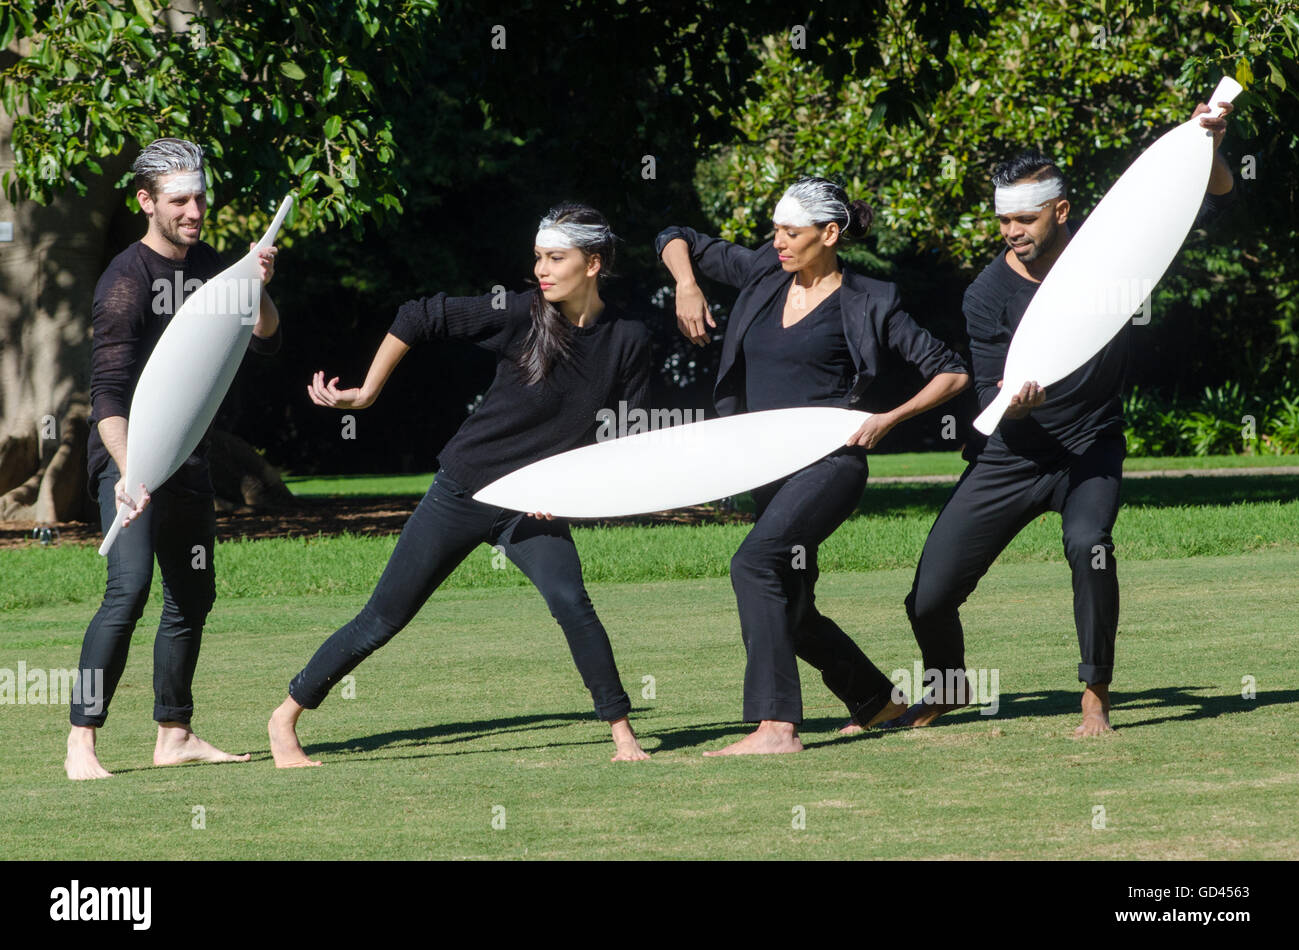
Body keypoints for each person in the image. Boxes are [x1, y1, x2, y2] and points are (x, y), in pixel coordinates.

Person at [892, 101, 1236, 737]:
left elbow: (1208, 196)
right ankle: (948, 684)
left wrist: (1205, 142)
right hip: (1014, 454)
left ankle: (1095, 695)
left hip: (1089, 449)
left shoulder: (1114, 262)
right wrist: (1017, 400)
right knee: (928, 596)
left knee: (1089, 546)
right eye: (1003, 220)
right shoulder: (986, 294)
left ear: (1061, 211)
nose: (1012, 231)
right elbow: (995, 387)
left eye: (1025, 218)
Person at [268, 203, 651, 766]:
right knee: (382, 619)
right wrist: (368, 393)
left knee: (572, 602)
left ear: (593, 264)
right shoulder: (521, 312)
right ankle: (285, 718)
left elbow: (623, 439)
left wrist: (569, 490)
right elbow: (419, 315)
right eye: (539, 257)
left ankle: (623, 737)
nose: (542, 269)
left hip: (533, 503)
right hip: (464, 488)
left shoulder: (629, 339)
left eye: (556, 258)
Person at [657, 177, 970, 755]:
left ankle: (776, 727)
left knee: (753, 564)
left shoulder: (871, 299)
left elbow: (950, 371)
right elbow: (675, 236)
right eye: (776, 228)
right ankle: (875, 699)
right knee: (792, 608)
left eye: (791, 232)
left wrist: (887, 418)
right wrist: (686, 285)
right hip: (768, 470)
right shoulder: (763, 273)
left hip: (831, 465)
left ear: (830, 234)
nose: (778, 240)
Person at [65, 138, 282, 779]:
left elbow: (266, 338)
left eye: (200, 198)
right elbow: (106, 395)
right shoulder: (124, 282)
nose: (194, 210)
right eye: (180, 200)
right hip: (125, 457)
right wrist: (131, 473)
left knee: (192, 594)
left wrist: (256, 283)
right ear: (146, 202)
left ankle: (175, 734)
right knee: (128, 591)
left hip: (187, 455)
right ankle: (82, 743)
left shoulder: (213, 265)